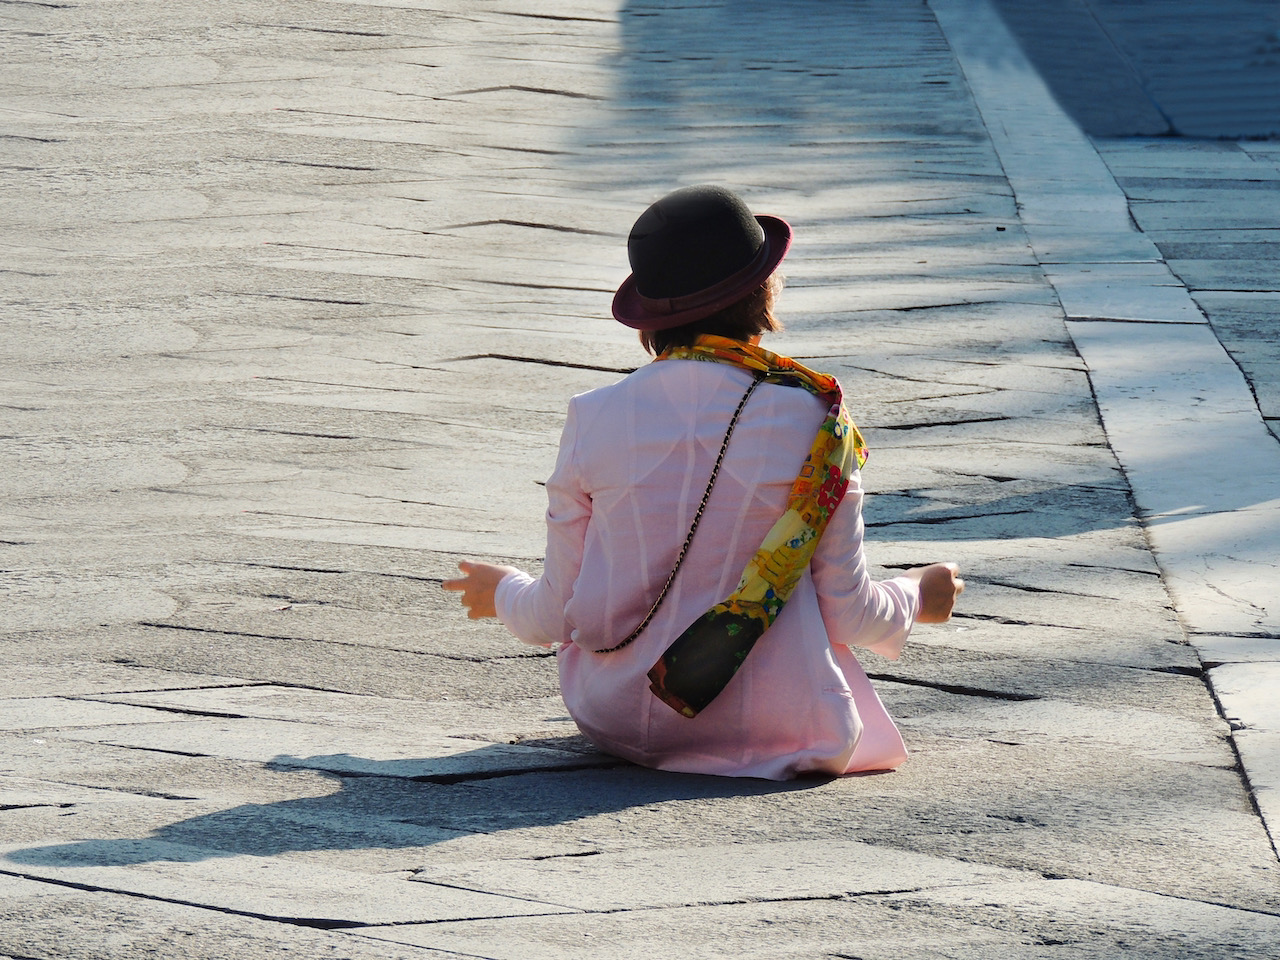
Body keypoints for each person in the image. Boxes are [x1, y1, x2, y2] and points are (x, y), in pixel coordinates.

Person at [443, 185, 963, 780]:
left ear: (652, 314)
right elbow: (849, 614)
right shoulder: (818, 420)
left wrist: (503, 590)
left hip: (611, 714)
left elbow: (558, 612)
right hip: (775, 724)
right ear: (763, 292)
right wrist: (919, 595)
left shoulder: (595, 415)